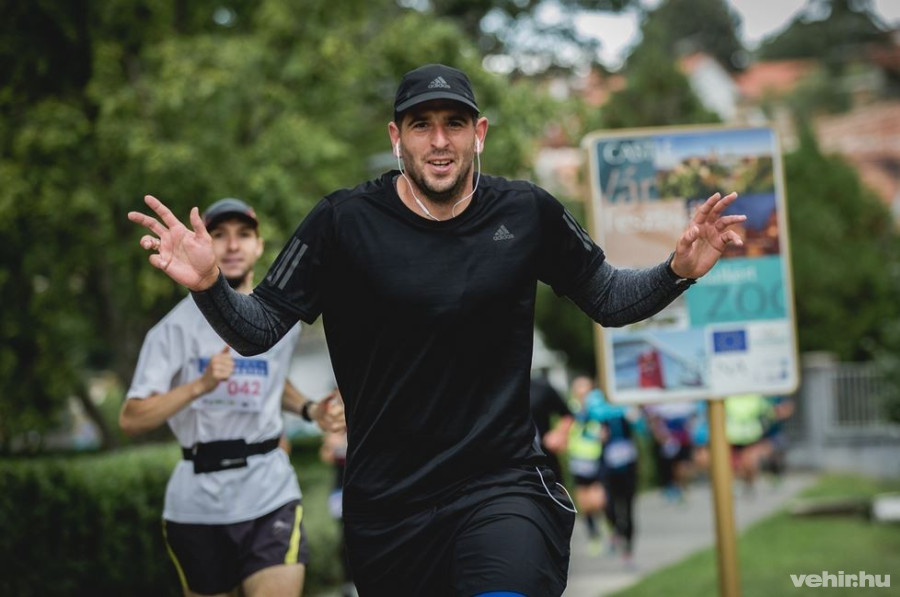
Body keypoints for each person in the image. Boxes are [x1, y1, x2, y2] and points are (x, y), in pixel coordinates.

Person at [128, 63, 746, 596]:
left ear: (479, 133)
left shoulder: (526, 212)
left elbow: (608, 297)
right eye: (422, 124)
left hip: (500, 484)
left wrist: (675, 271)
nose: (440, 140)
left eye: (455, 123)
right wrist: (209, 284)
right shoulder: (342, 223)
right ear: (397, 137)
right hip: (390, 510)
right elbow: (259, 328)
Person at [120, 197, 345, 597]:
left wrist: (310, 410)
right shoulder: (171, 330)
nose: (233, 245)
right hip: (197, 502)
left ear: (259, 246)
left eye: (244, 235)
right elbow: (132, 418)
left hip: (269, 493)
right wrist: (199, 386)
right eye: (219, 235)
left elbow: (269, 380)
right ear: (202, 246)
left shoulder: (279, 322)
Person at [566, 376, 607, 555]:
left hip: (596, 459)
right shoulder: (571, 409)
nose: (582, 392)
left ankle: (608, 525)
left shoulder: (598, 408)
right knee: (585, 504)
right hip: (577, 460)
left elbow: (605, 429)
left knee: (598, 500)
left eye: (586, 388)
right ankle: (594, 535)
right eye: (579, 388)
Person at [529, 371, 574, 481]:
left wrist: (558, 434)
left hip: (544, 459)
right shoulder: (495, 392)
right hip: (509, 466)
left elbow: (567, 415)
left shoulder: (541, 387)